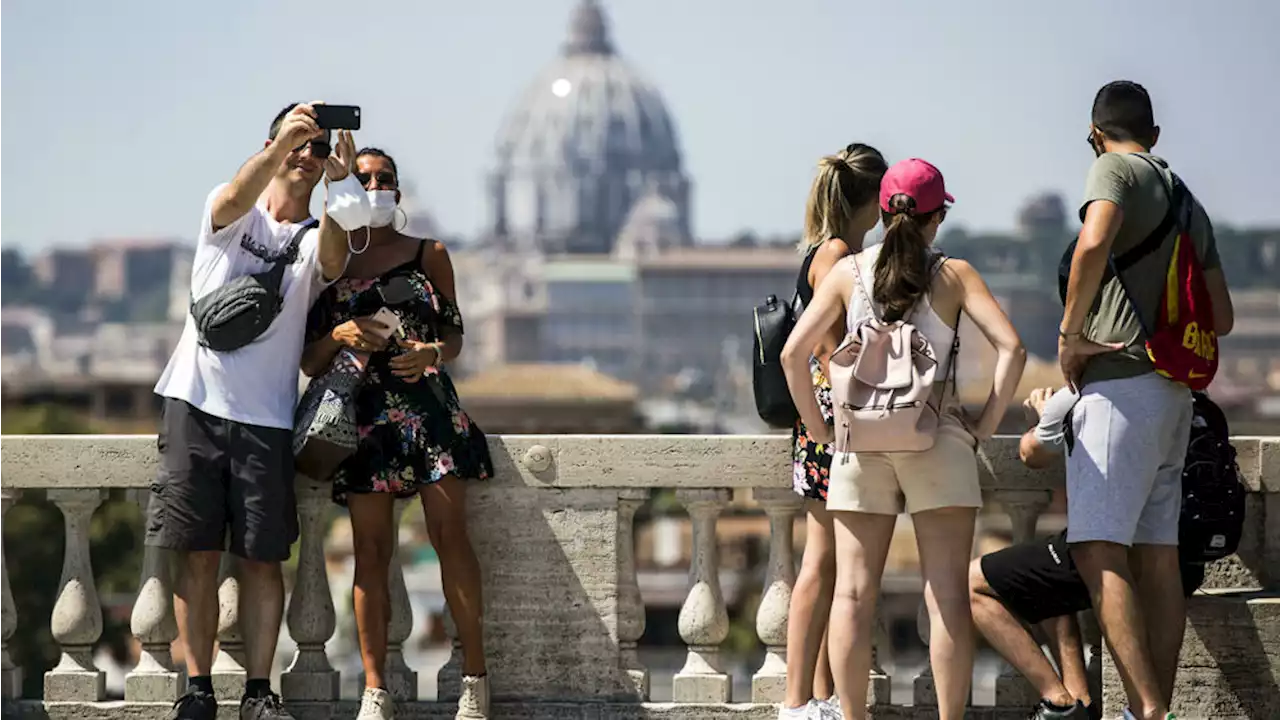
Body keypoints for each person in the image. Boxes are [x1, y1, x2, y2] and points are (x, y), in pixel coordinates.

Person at [781, 158, 1026, 720]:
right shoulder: (955, 274)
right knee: (945, 600)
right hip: (936, 438)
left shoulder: (847, 273)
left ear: (884, 210)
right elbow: (1013, 349)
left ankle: (851, 717)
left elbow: (795, 354)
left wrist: (822, 430)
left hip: (859, 443)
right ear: (936, 217)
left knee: (851, 594)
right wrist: (984, 425)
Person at [148, 103, 355, 720]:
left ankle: (260, 693)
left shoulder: (317, 236)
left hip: (267, 418)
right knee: (198, 553)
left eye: (315, 149)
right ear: (271, 144)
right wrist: (283, 143)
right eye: (296, 142)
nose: (304, 154)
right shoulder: (228, 213)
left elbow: (337, 262)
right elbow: (240, 191)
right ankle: (199, 689)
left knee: (263, 559)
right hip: (196, 404)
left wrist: (338, 188)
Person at [1057, 81, 1233, 720]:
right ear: (1155, 135)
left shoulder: (1112, 167)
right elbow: (1225, 317)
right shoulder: (1188, 200)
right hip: (1172, 396)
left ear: (1095, 133)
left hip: (1121, 388)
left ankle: (1146, 709)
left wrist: (1071, 333)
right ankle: (1151, 706)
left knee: (1097, 549)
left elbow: (1094, 240)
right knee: (1158, 557)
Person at [301, 147, 494, 720]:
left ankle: (476, 681)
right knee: (371, 553)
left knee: (450, 537)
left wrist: (431, 352)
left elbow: (455, 335)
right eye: (365, 179)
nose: (377, 185)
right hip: (363, 421)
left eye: (386, 179)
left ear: (399, 193)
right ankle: (375, 690)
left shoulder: (428, 253)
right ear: (346, 191)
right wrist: (340, 332)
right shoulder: (328, 263)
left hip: (429, 413)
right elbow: (310, 360)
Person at [970, 386, 1207, 720]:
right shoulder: (1182, 393)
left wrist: (1044, 416)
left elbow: (1032, 453)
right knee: (1041, 575)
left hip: (1107, 546)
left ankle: (1062, 703)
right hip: (1178, 550)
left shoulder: (1089, 389)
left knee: (972, 584)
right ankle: (1088, 701)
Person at [780, 142, 888, 720]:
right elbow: (831, 348)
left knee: (827, 565)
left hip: (819, 418)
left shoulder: (822, 249)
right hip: (831, 418)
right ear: (869, 200)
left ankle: (816, 695)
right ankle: (798, 699)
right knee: (821, 564)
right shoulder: (841, 254)